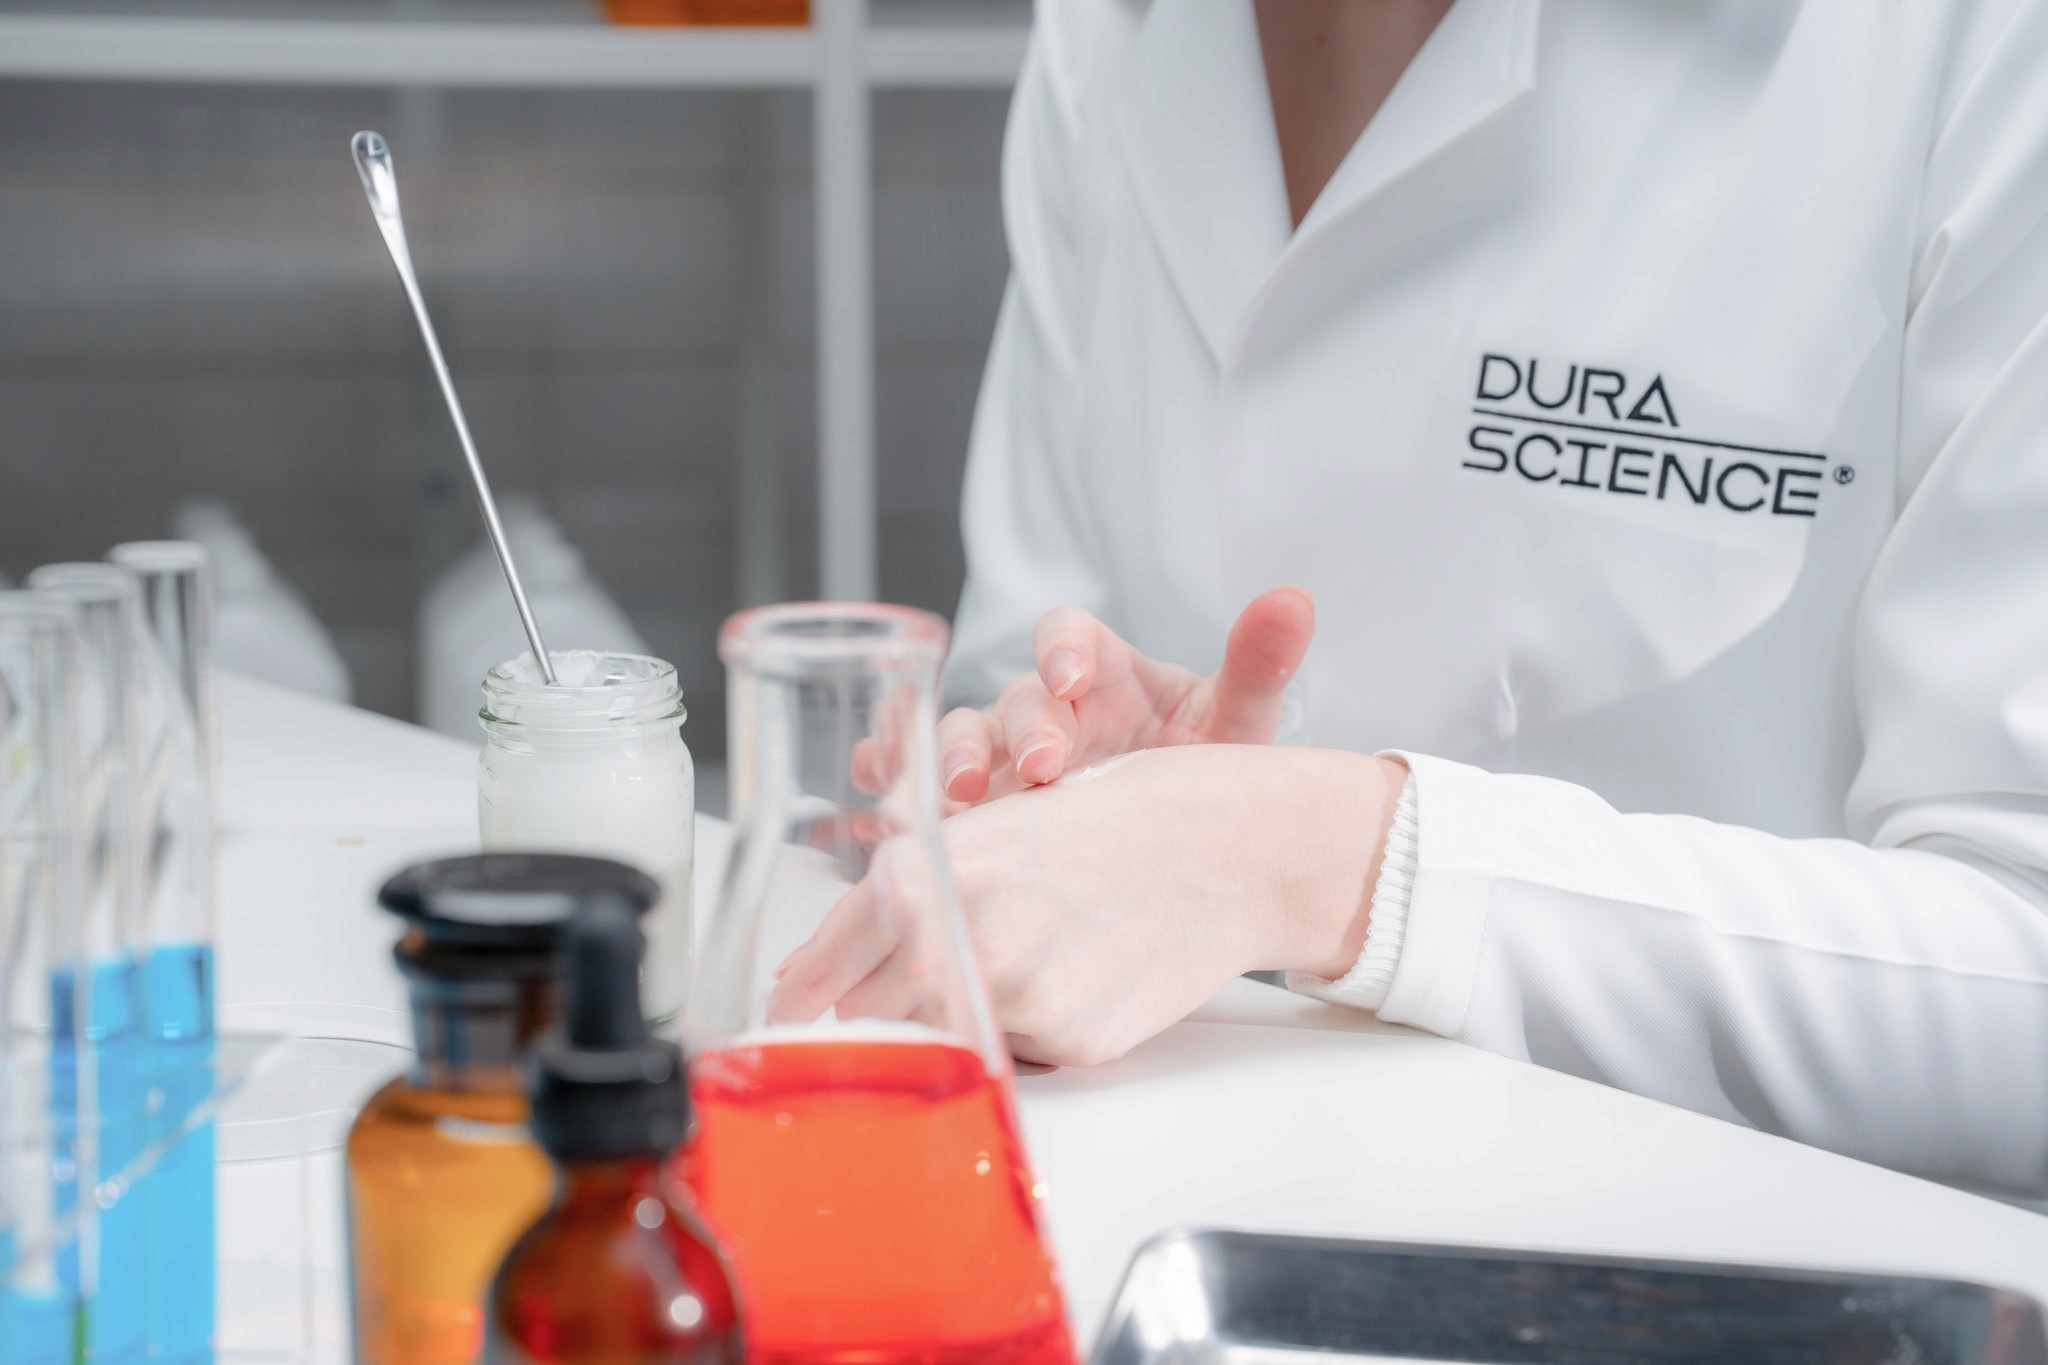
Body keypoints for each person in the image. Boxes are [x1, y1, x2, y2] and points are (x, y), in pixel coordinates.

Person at [777, 0, 2048, 1198]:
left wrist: (1331, 865)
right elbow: (1029, 645)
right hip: (1178, 1215)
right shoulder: (1106, 33)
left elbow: (2020, 981)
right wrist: (1057, 784)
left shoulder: (1975, 47)